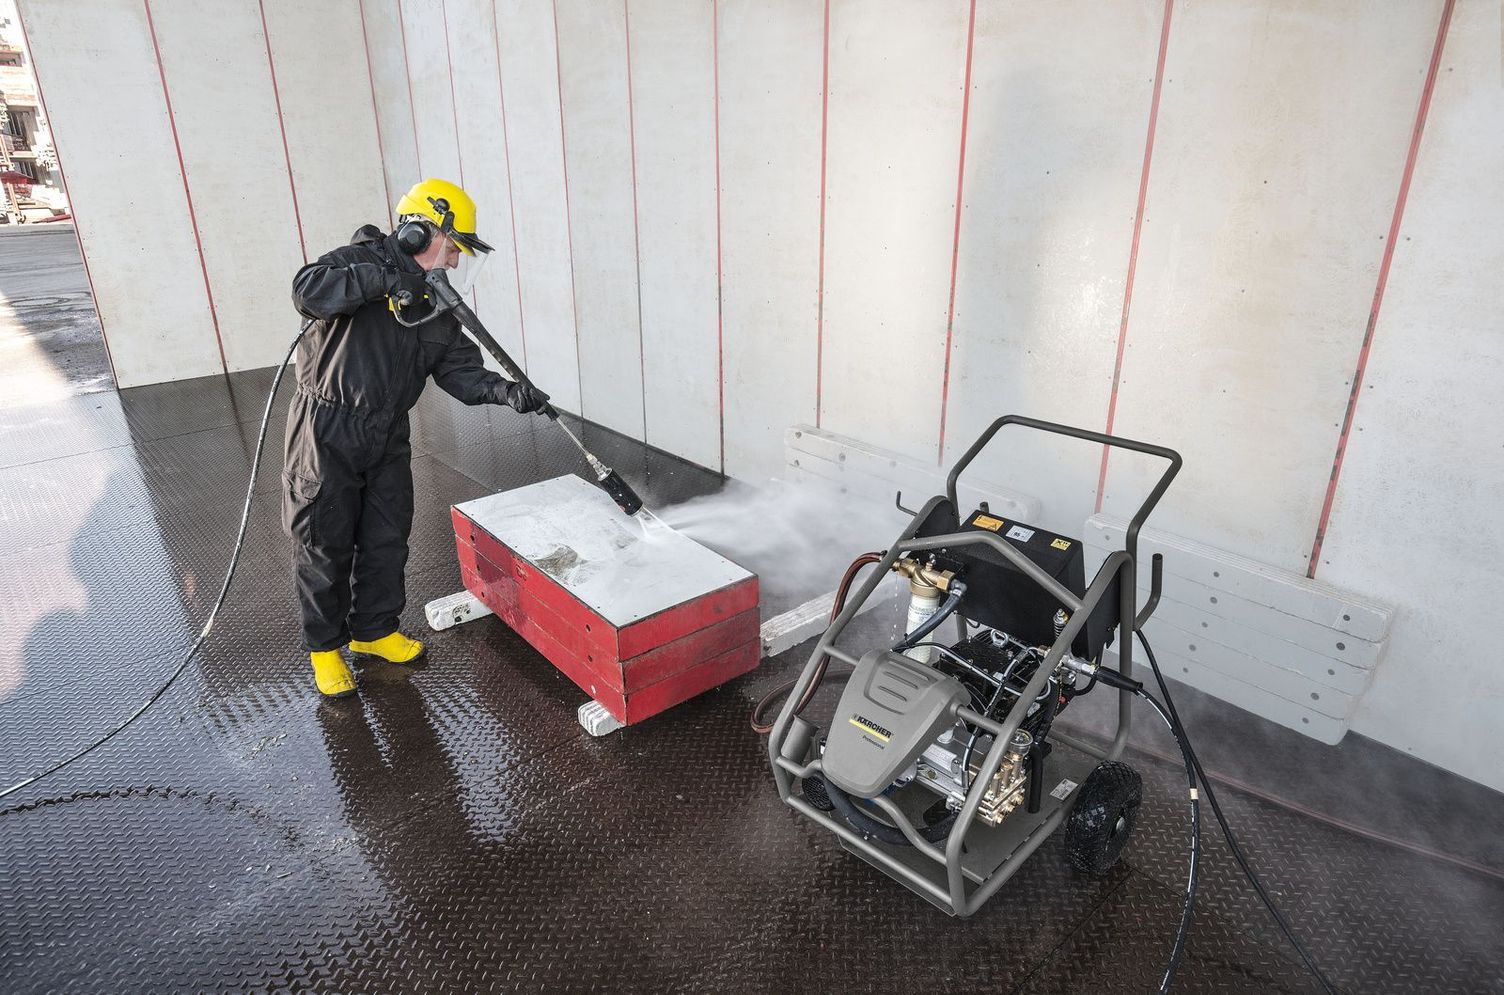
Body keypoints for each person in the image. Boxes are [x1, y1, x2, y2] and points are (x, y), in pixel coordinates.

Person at [284, 178, 548, 698]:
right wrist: (384, 280)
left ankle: (374, 631)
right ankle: (325, 649)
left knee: (386, 535)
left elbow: (458, 370)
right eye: (453, 247)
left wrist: (507, 392)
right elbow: (307, 291)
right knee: (323, 540)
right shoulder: (353, 262)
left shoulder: (432, 303)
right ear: (418, 233)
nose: (455, 261)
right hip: (327, 427)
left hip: (387, 431)